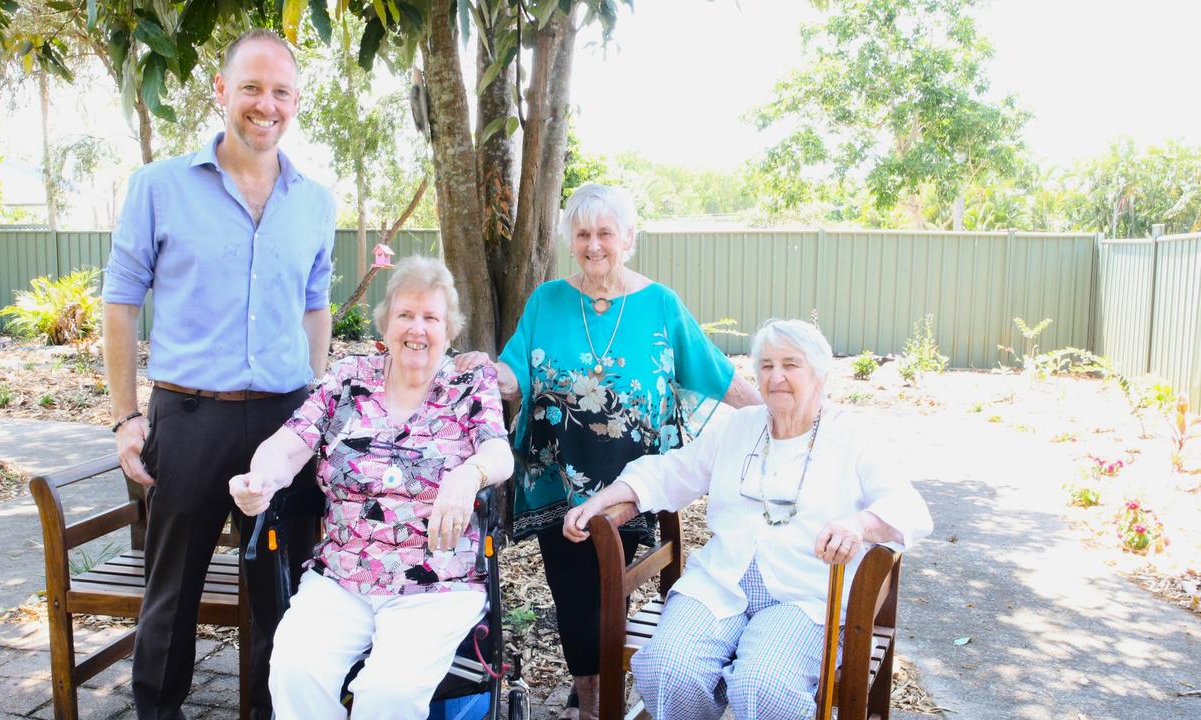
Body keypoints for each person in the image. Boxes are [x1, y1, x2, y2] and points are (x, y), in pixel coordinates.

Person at [456, 183, 762, 718]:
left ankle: (596, 688)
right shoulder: (547, 299)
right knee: (573, 591)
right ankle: (594, 698)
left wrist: (777, 419)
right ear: (570, 241)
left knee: (606, 586)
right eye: (582, 234)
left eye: (604, 233)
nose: (593, 245)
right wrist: (483, 369)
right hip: (555, 474)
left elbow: (715, 371)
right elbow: (514, 374)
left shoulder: (660, 304)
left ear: (628, 239)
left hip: (634, 479)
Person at [101, 30, 334, 720]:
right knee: (170, 594)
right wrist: (124, 417)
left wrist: (312, 406)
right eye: (252, 88)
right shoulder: (159, 187)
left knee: (279, 590)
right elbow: (119, 305)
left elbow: (316, 305)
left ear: (296, 102)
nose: (267, 104)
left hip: (283, 425)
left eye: (281, 91)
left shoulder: (315, 200)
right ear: (221, 92)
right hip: (189, 419)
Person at [563, 318, 934, 720]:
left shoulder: (853, 436)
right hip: (721, 582)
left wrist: (859, 525)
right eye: (766, 365)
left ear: (820, 374)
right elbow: (673, 471)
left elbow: (909, 509)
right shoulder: (739, 427)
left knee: (764, 686)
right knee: (667, 668)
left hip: (806, 597)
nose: (776, 377)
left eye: (791, 365)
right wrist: (604, 500)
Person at [229, 256, 514, 720]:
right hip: (344, 574)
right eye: (405, 315)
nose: (417, 329)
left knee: (388, 692)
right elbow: (286, 445)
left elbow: (498, 454)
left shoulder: (469, 383)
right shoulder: (348, 379)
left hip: (438, 581)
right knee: (293, 669)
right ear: (386, 322)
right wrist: (259, 479)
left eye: (430, 317)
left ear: (449, 330)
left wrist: (467, 475)